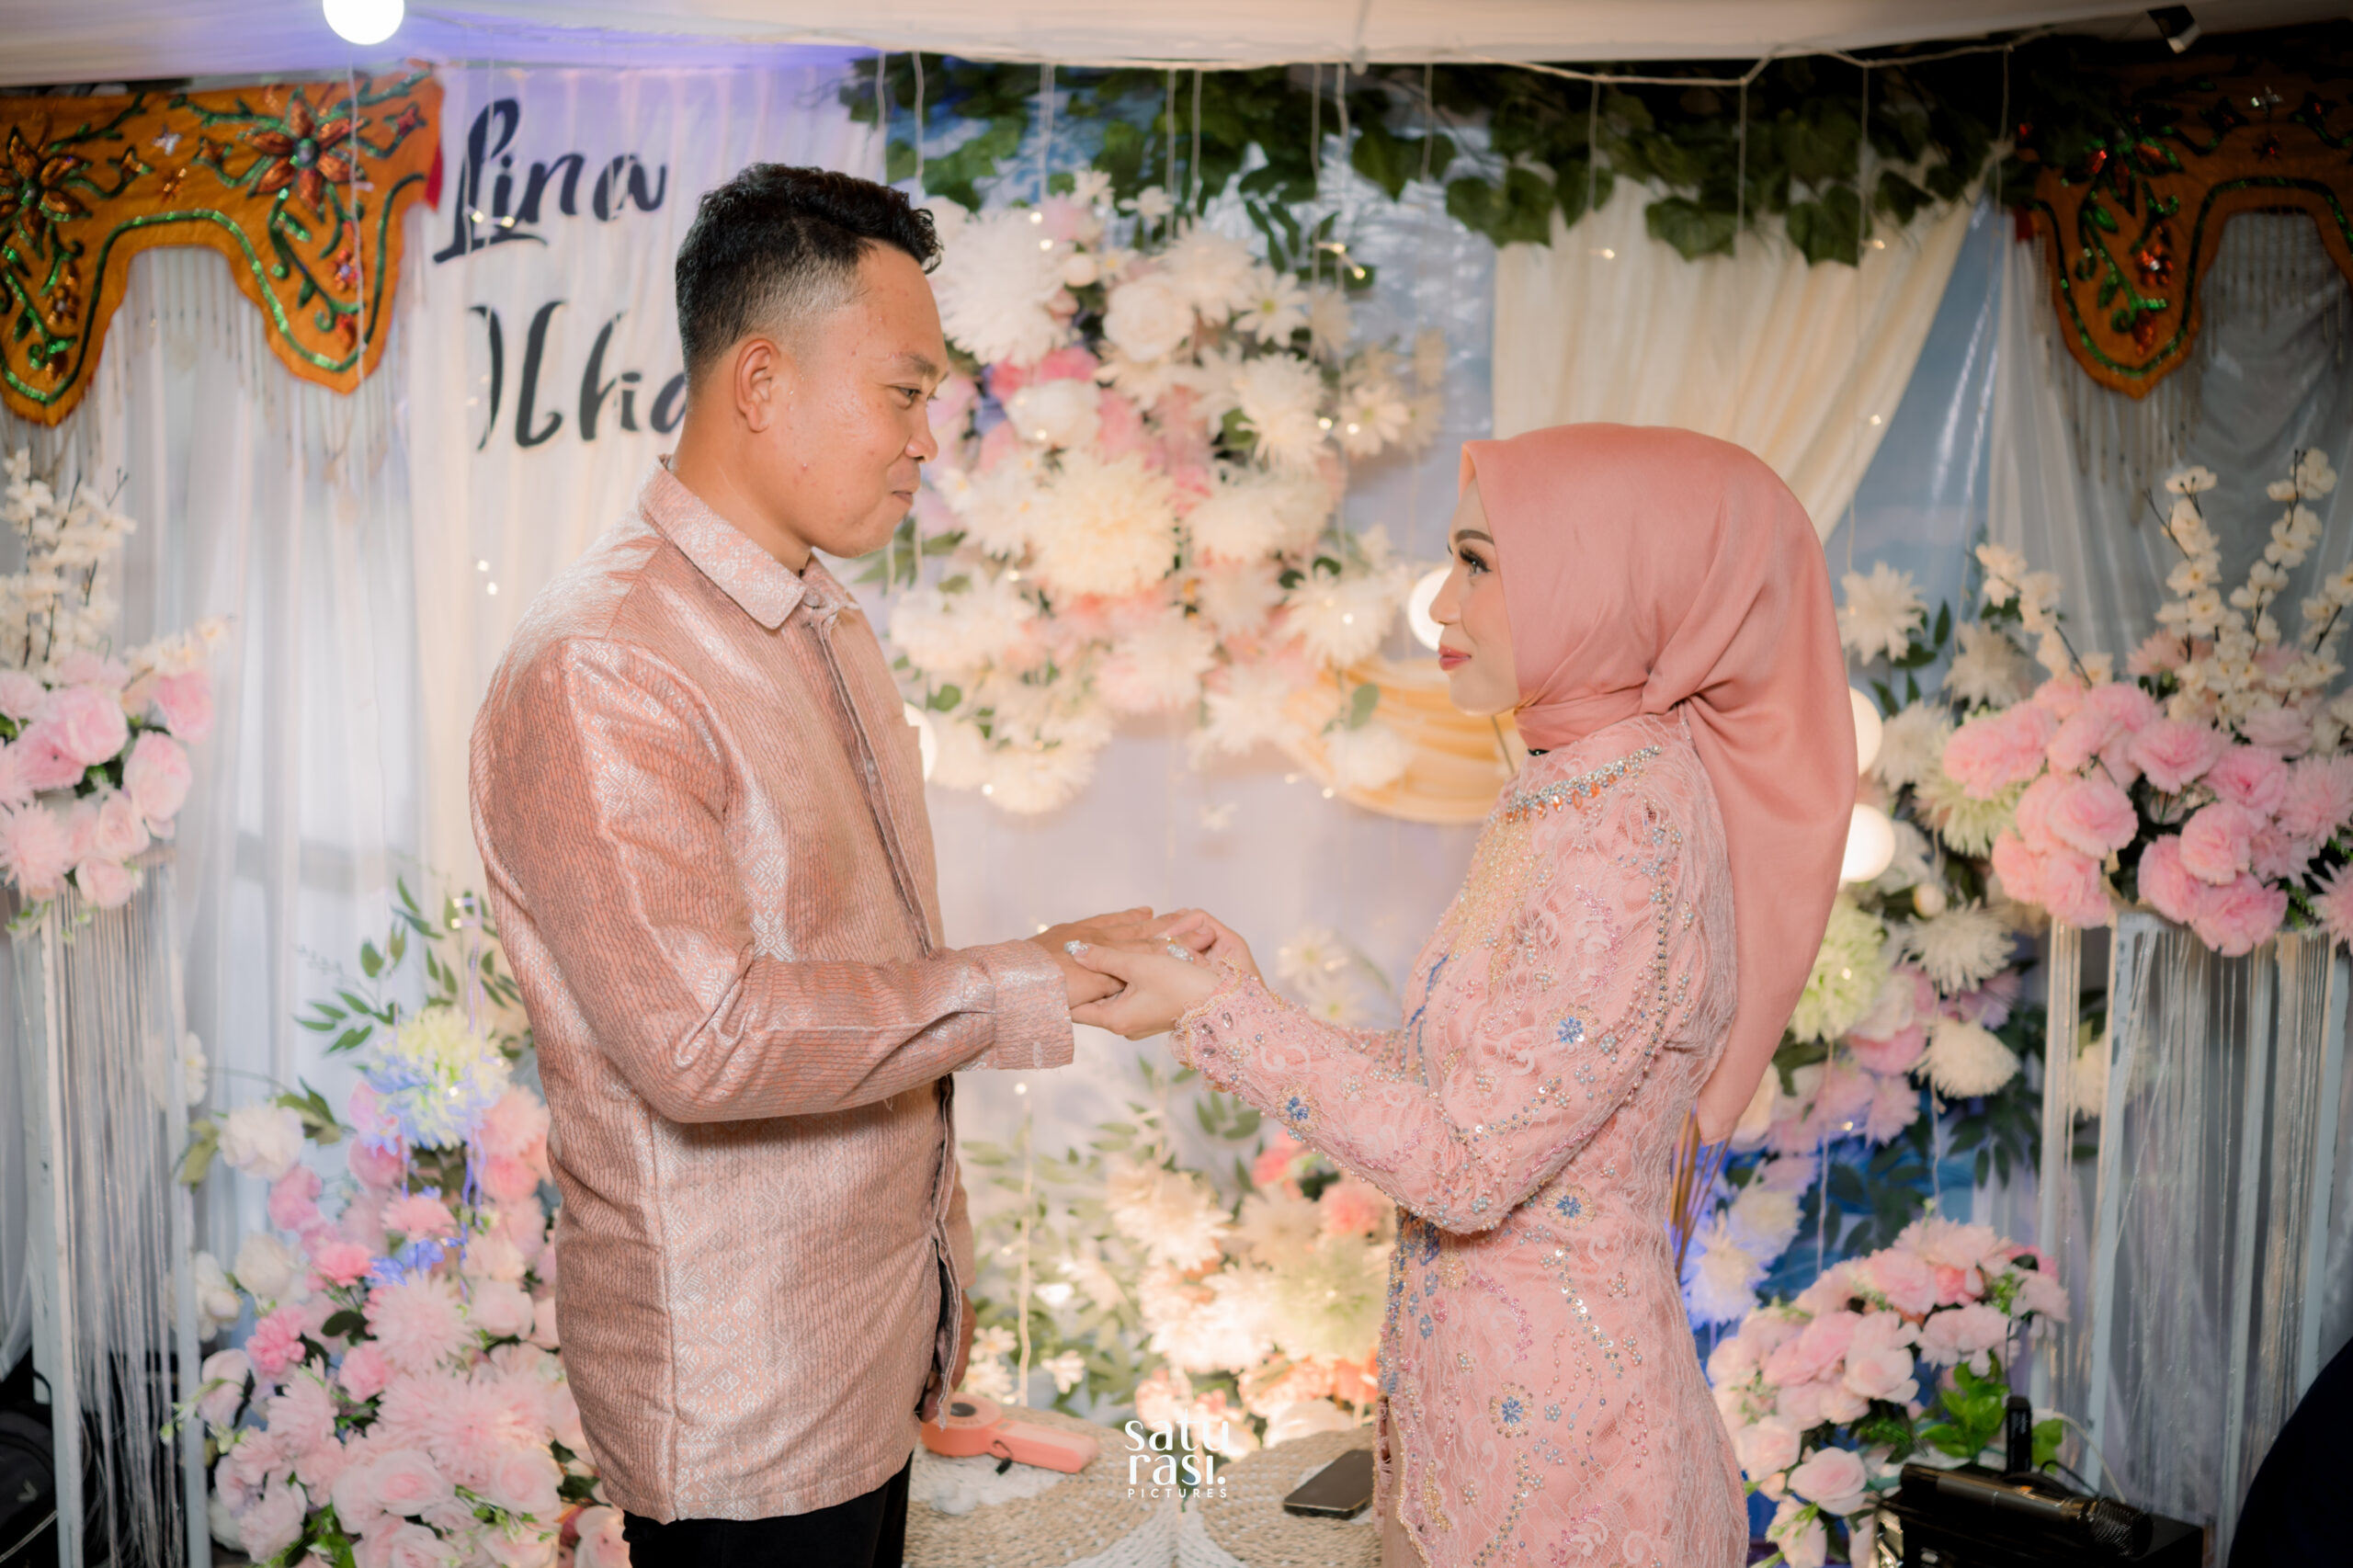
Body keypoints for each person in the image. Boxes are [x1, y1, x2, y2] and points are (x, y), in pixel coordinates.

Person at [471, 165, 1172, 1568]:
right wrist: (1025, 986)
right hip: (744, 1408)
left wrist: (1060, 959)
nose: (926, 441)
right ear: (762, 381)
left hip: (863, 1350)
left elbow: (849, 964)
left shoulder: (822, 618)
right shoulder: (605, 661)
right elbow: (706, 1041)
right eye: (904, 393)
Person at [1071, 425, 1854, 1567]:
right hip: (1484, 1436)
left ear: (1605, 580)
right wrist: (1241, 996)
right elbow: (1476, 1086)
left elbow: (1467, 1168)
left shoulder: (1621, 832)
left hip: (1566, 1476)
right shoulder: (1574, 785)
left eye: (1479, 561)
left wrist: (1215, 1017)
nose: (1441, 602)